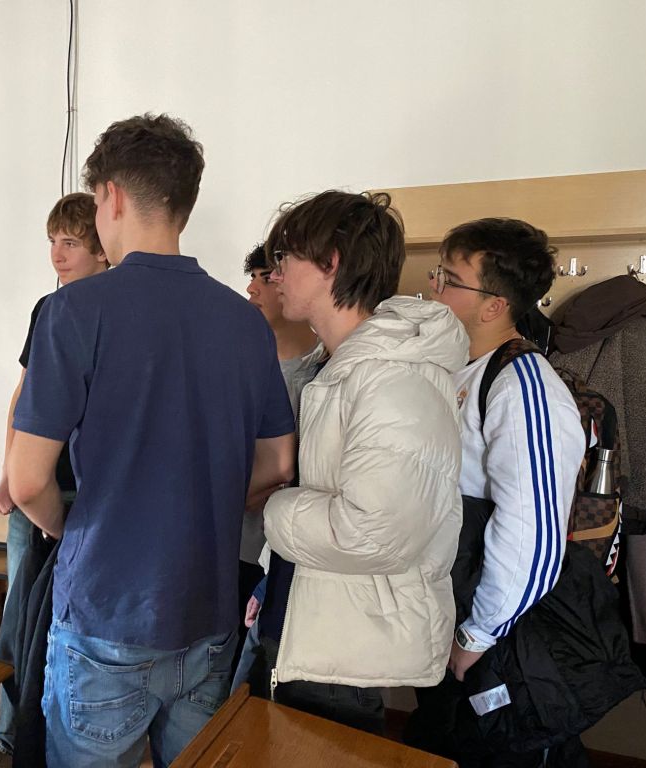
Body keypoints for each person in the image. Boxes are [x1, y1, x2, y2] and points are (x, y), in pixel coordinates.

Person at [5, 114, 295, 768]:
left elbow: (25, 481)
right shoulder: (245, 322)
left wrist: (70, 528)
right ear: (182, 204)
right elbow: (278, 461)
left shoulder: (73, 311)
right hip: (207, 613)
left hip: (105, 612)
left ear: (110, 196)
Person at [254, 190, 468, 735]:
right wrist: (269, 580)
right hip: (310, 623)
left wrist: (273, 508)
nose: (274, 274)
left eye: (284, 258)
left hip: (347, 649)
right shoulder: (337, 367)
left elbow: (373, 533)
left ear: (331, 262)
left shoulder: (395, 378)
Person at [405, 218, 587, 767]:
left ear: (494, 306)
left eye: (449, 279)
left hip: (496, 626)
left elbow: (532, 532)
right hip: (450, 601)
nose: (434, 286)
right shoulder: (458, 368)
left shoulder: (522, 386)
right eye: (438, 273)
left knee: (501, 748)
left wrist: (478, 634)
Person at [0, 192, 108, 768]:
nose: (57, 254)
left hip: (90, 494)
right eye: (52, 241)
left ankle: (57, 739)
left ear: (102, 250)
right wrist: (9, 469)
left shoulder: (117, 314)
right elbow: (23, 395)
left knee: (73, 626)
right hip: (40, 489)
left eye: (70, 242)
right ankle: (8, 741)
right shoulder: (48, 310)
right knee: (18, 621)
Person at [231, 243, 322, 688]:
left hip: (284, 554)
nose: (253, 289)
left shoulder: (322, 372)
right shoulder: (240, 364)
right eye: (252, 278)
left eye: (266, 277)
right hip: (230, 545)